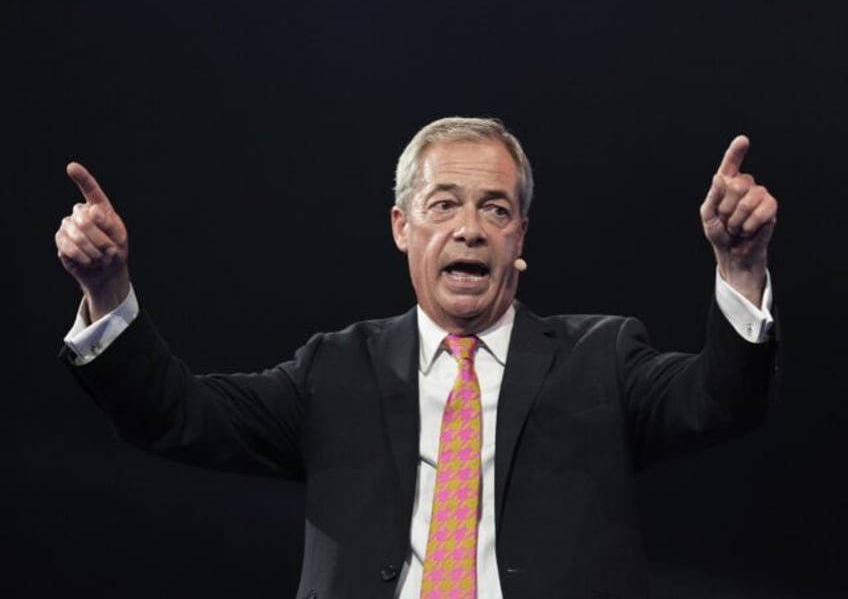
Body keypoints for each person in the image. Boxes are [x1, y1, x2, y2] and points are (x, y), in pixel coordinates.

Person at [56, 117, 778, 599]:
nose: (469, 229)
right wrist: (108, 287)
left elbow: (719, 400)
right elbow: (175, 415)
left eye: (495, 210)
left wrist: (740, 269)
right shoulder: (334, 371)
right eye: (444, 206)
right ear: (402, 227)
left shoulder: (603, 357)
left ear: (520, 236)